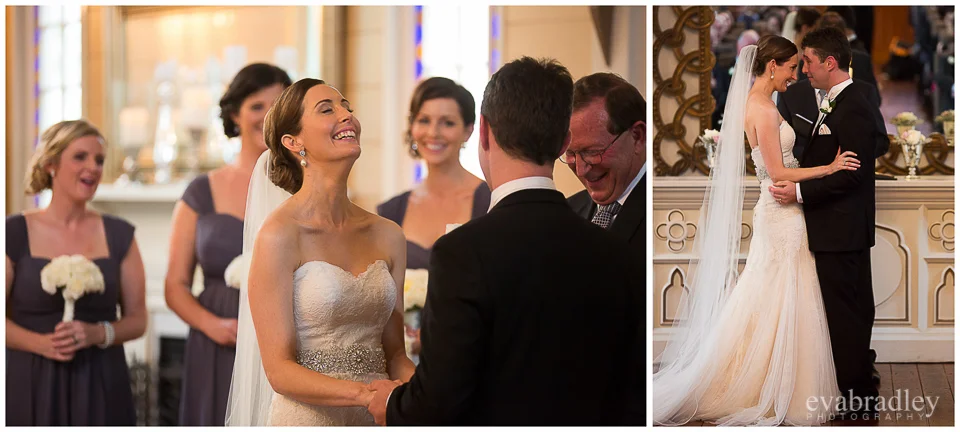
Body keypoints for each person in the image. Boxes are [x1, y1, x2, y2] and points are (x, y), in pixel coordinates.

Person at [366, 57, 644, 426]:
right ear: (564, 142)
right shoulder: (612, 250)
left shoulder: (462, 251)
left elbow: (439, 402)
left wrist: (391, 405)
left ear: (482, 133)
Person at [653, 35, 865, 426]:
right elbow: (778, 171)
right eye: (789, 68)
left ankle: (780, 379)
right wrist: (829, 168)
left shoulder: (762, 103)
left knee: (778, 296)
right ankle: (773, 386)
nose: (794, 75)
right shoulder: (763, 110)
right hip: (781, 213)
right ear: (772, 66)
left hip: (779, 211)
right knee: (781, 294)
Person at [223, 78, 415, 426]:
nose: (347, 116)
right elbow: (279, 370)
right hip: (310, 419)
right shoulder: (279, 235)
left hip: (379, 417)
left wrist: (426, 394)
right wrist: (365, 394)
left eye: (348, 108)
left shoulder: (389, 235)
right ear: (293, 141)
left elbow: (396, 353)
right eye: (328, 109)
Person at [165, 63, 291, 426]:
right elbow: (175, 286)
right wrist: (212, 325)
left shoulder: (305, 189)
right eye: (256, 105)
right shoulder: (201, 192)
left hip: (283, 341)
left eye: (278, 104)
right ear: (235, 114)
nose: (268, 116)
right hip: (218, 343)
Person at [770, 27, 882, 417]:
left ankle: (860, 401)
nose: (804, 70)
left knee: (848, 315)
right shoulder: (839, 101)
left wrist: (798, 193)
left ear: (830, 63)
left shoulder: (852, 105)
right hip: (838, 228)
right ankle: (854, 389)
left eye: (809, 62)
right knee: (846, 312)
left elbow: (852, 174)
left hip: (842, 228)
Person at [6, 120, 147, 425]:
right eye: (80, 157)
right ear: (51, 164)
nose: (93, 168)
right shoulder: (13, 233)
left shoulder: (120, 234)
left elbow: (138, 320)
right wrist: (42, 344)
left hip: (101, 379)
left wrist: (99, 333)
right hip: (29, 380)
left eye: (99, 160)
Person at [378, 77, 491, 270]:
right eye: (424, 120)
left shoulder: (489, 201)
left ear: (468, 131)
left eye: (447, 123)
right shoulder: (391, 212)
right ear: (412, 127)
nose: (433, 132)